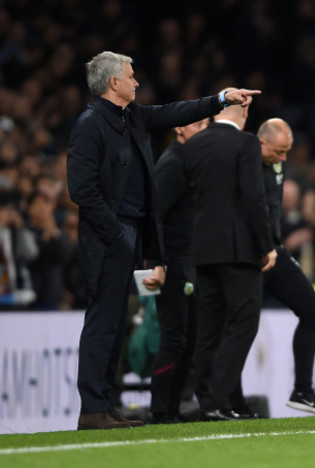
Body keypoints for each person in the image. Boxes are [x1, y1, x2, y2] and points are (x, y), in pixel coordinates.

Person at [67, 51, 260, 430]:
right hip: (110, 235)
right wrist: (115, 235)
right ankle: (92, 407)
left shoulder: (130, 117)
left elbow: (176, 112)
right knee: (103, 322)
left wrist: (220, 98)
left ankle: (105, 405)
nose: (137, 81)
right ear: (114, 83)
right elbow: (82, 191)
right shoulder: (90, 124)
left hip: (129, 234)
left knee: (115, 324)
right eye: (131, 75)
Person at [183, 88, 277, 422]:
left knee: (209, 328)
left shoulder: (192, 145)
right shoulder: (247, 143)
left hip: (204, 249)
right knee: (243, 323)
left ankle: (211, 398)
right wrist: (266, 244)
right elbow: (253, 196)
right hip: (239, 249)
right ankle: (215, 399)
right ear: (245, 109)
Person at [257, 118, 315, 415]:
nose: (284, 158)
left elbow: (272, 209)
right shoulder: (243, 163)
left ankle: (302, 390)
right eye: (279, 151)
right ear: (262, 142)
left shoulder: (275, 165)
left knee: (313, 310)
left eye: (287, 151)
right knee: (238, 325)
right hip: (249, 255)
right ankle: (223, 399)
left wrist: (274, 244)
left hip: (274, 252)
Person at [149, 117, 209, 424]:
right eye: (197, 125)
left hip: (190, 262)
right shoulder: (172, 163)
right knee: (174, 337)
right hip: (172, 262)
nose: (203, 129)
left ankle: (172, 408)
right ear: (179, 129)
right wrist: (158, 260)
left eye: (205, 124)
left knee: (188, 339)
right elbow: (155, 213)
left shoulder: (191, 162)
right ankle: (160, 409)